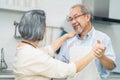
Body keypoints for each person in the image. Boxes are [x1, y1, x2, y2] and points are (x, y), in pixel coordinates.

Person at [13, 10, 105, 80]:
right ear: (39, 30)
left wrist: (65, 36)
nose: (46, 30)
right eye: (44, 27)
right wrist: (93, 52)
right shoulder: (32, 55)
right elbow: (70, 69)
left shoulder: (24, 49)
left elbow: (49, 49)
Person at [55, 4, 116, 80]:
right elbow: (60, 68)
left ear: (87, 17)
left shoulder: (103, 38)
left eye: (76, 17)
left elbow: (111, 67)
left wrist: (102, 57)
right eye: (71, 19)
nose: (73, 22)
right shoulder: (68, 41)